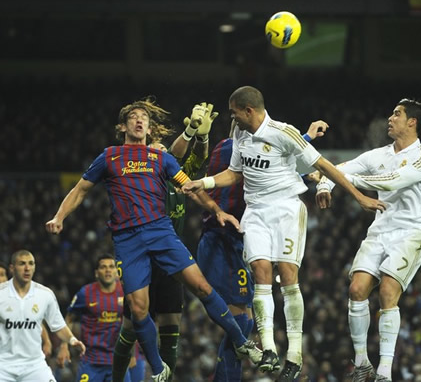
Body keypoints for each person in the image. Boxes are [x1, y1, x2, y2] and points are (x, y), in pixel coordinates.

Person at [46, 97, 264, 382]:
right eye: (134, 117)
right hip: (128, 240)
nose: (139, 121)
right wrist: (59, 216)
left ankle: (241, 341)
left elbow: (190, 186)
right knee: (138, 310)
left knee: (201, 286)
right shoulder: (109, 156)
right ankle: (159, 369)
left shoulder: (160, 158)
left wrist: (217, 210)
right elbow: (80, 190)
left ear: (149, 128)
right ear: (123, 125)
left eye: (144, 118)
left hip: (161, 232)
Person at [182, 86, 386, 381]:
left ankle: (295, 352)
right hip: (256, 212)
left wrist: (359, 196)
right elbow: (235, 173)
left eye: (234, 112)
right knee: (261, 272)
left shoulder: (284, 132)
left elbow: (322, 165)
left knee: (288, 276)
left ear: (248, 110)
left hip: (287, 209)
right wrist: (205, 182)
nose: (232, 118)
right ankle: (268, 348)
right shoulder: (240, 136)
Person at [314, 98, 421, 382]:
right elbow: (341, 167)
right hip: (380, 230)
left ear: (412, 122)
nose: (390, 118)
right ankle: (362, 364)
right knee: (356, 289)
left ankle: (384, 372)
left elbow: (390, 181)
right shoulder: (378, 153)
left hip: (411, 232)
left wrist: (344, 180)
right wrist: (324, 183)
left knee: (387, 293)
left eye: (397, 114)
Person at [196, 118, 327, 381]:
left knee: (244, 318)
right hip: (221, 236)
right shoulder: (229, 147)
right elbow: (252, 170)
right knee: (240, 320)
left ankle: (238, 367)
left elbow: (270, 167)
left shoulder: (255, 147)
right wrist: (305, 148)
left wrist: (304, 155)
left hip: (241, 236)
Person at [112, 102, 216, 382]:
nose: (158, 155)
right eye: (154, 152)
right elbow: (178, 151)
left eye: (162, 152)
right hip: (142, 256)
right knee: (131, 326)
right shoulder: (140, 181)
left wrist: (201, 137)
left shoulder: (178, 179)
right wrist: (188, 132)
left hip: (170, 261)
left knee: (171, 329)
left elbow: (195, 160)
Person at [0, 249, 86, 382]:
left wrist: (72, 340)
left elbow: (58, 326)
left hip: (34, 366)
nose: (27, 268)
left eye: (31, 264)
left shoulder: (45, 294)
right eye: (22, 264)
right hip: (3, 365)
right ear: (12, 268)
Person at [56, 253, 128, 382]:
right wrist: (64, 346)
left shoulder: (125, 292)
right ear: (96, 273)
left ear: (117, 272)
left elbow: (133, 323)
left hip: (118, 361)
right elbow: (69, 319)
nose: (107, 270)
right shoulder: (86, 293)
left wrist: (132, 354)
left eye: (111, 267)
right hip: (91, 362)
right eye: (103, 267)